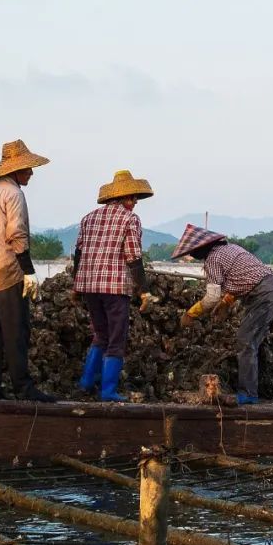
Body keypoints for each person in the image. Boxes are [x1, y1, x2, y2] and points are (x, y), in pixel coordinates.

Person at [0, 138, 55, 402]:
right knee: (16, 331)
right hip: (9, 270)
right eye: (28, 168)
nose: (31, 172)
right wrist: (29, 271)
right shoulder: (14, 194)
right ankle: (23, 387)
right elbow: (16, 235)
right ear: (15, 170)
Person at [172, 225, 273, 403]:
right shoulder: (231, 248)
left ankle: (248, 394)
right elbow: (242, 279)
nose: (192, 255)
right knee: (252, 342)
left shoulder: (213, 259)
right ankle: (253, 390)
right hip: (271, 290)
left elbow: (211, 297)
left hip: (264, 295)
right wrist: (226, 302)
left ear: (200, 248)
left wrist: (191, 314)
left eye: (192, 252)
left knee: (245, 340)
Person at [73, 169, 155, 401]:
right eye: (133, 198)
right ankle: (108, 392)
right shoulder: (130, 219)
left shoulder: (88, 218)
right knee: (116, 339)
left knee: (100, 335)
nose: (135, 202)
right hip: (115, 288)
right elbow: (133, 257)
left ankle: (86, 383)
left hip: (89, 286)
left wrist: (75, 285)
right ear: (124, 198)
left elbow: (78, 253)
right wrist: (145, 290)